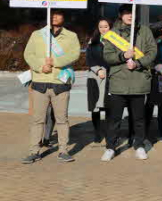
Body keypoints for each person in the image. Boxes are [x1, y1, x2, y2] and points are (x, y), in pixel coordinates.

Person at [22, 10, 80, 164]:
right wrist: (41, 66)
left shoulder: (71, 36)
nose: (54, 16)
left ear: (64, 16)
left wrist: (56, 62)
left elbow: (74, 54)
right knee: (37, 120)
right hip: (40, 82)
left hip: (60, 83)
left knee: (62, 119)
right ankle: (34, 151)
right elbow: (28, 54)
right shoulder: (37, 34)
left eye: (58, 13)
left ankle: (63, 151)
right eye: (52, 13)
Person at [101, 4, 157, 162]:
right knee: (114, 119)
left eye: (132, 12)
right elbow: (108, 56)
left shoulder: (144, 31)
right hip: (119, 82)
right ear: (120, 15)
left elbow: (152, 51)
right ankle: (110, 147)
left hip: (139, 81)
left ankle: (139, 145)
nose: (130, 16)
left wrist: (138, 63)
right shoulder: (112, 34)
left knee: (139, 118)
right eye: (126, 13)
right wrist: (123, 56)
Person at [86, 18, 113, 145]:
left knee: (109, 107)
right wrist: (98, 70)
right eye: (101, 26)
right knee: (95, 108)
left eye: (106, 26)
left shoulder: (115, 42)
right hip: (94, 77)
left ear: (110, 27)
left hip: (110, 77)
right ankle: (97, 133)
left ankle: (109, 134)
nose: (103, 29)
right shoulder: (92, 42)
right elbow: (89, 59)